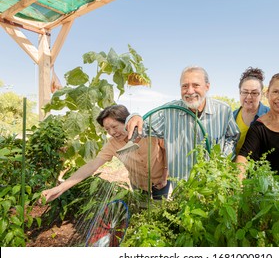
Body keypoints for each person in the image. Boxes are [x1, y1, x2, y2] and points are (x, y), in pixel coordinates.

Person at [126, 65, 240, 183]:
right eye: (185, 86)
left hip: (212, 185)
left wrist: (222, 161)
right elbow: (142, 127)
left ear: (207, 87)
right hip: (181, 188)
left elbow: (232, 137)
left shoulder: (223, 111)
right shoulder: (169, 112)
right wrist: (133, 116)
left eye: (196, 85)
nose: (190, 91)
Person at [41, 105, 170, 202]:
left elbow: (168, 151)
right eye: (107, 129)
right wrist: (61, 188)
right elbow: (91, 166)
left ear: (127, 122)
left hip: (161, 179)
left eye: (114, 127)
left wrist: (165, 176)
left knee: (160, 209)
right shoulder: (112, 145)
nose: (112, 132)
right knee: (142, 210)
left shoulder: (149, 133)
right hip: (139, 183)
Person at [233, 67, 270, 154]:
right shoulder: (231, 117)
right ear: (240, 93)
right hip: (233, 166)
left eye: (254, 93)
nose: (249, 97)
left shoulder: (270, 115)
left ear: (261, 94)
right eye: (245, 92)